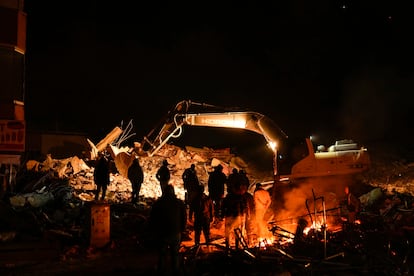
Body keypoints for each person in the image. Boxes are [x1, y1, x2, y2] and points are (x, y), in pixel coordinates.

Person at [149, 185, 187, 276]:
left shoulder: (158, 203)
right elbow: (184, 217)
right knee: (175, 254)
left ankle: (161, 271)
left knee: (162, 254)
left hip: (162, 232)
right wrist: (182, 229)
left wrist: (154, 230)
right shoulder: (179, 203)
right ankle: (175, 272)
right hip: (175, 232)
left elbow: (152, 218)